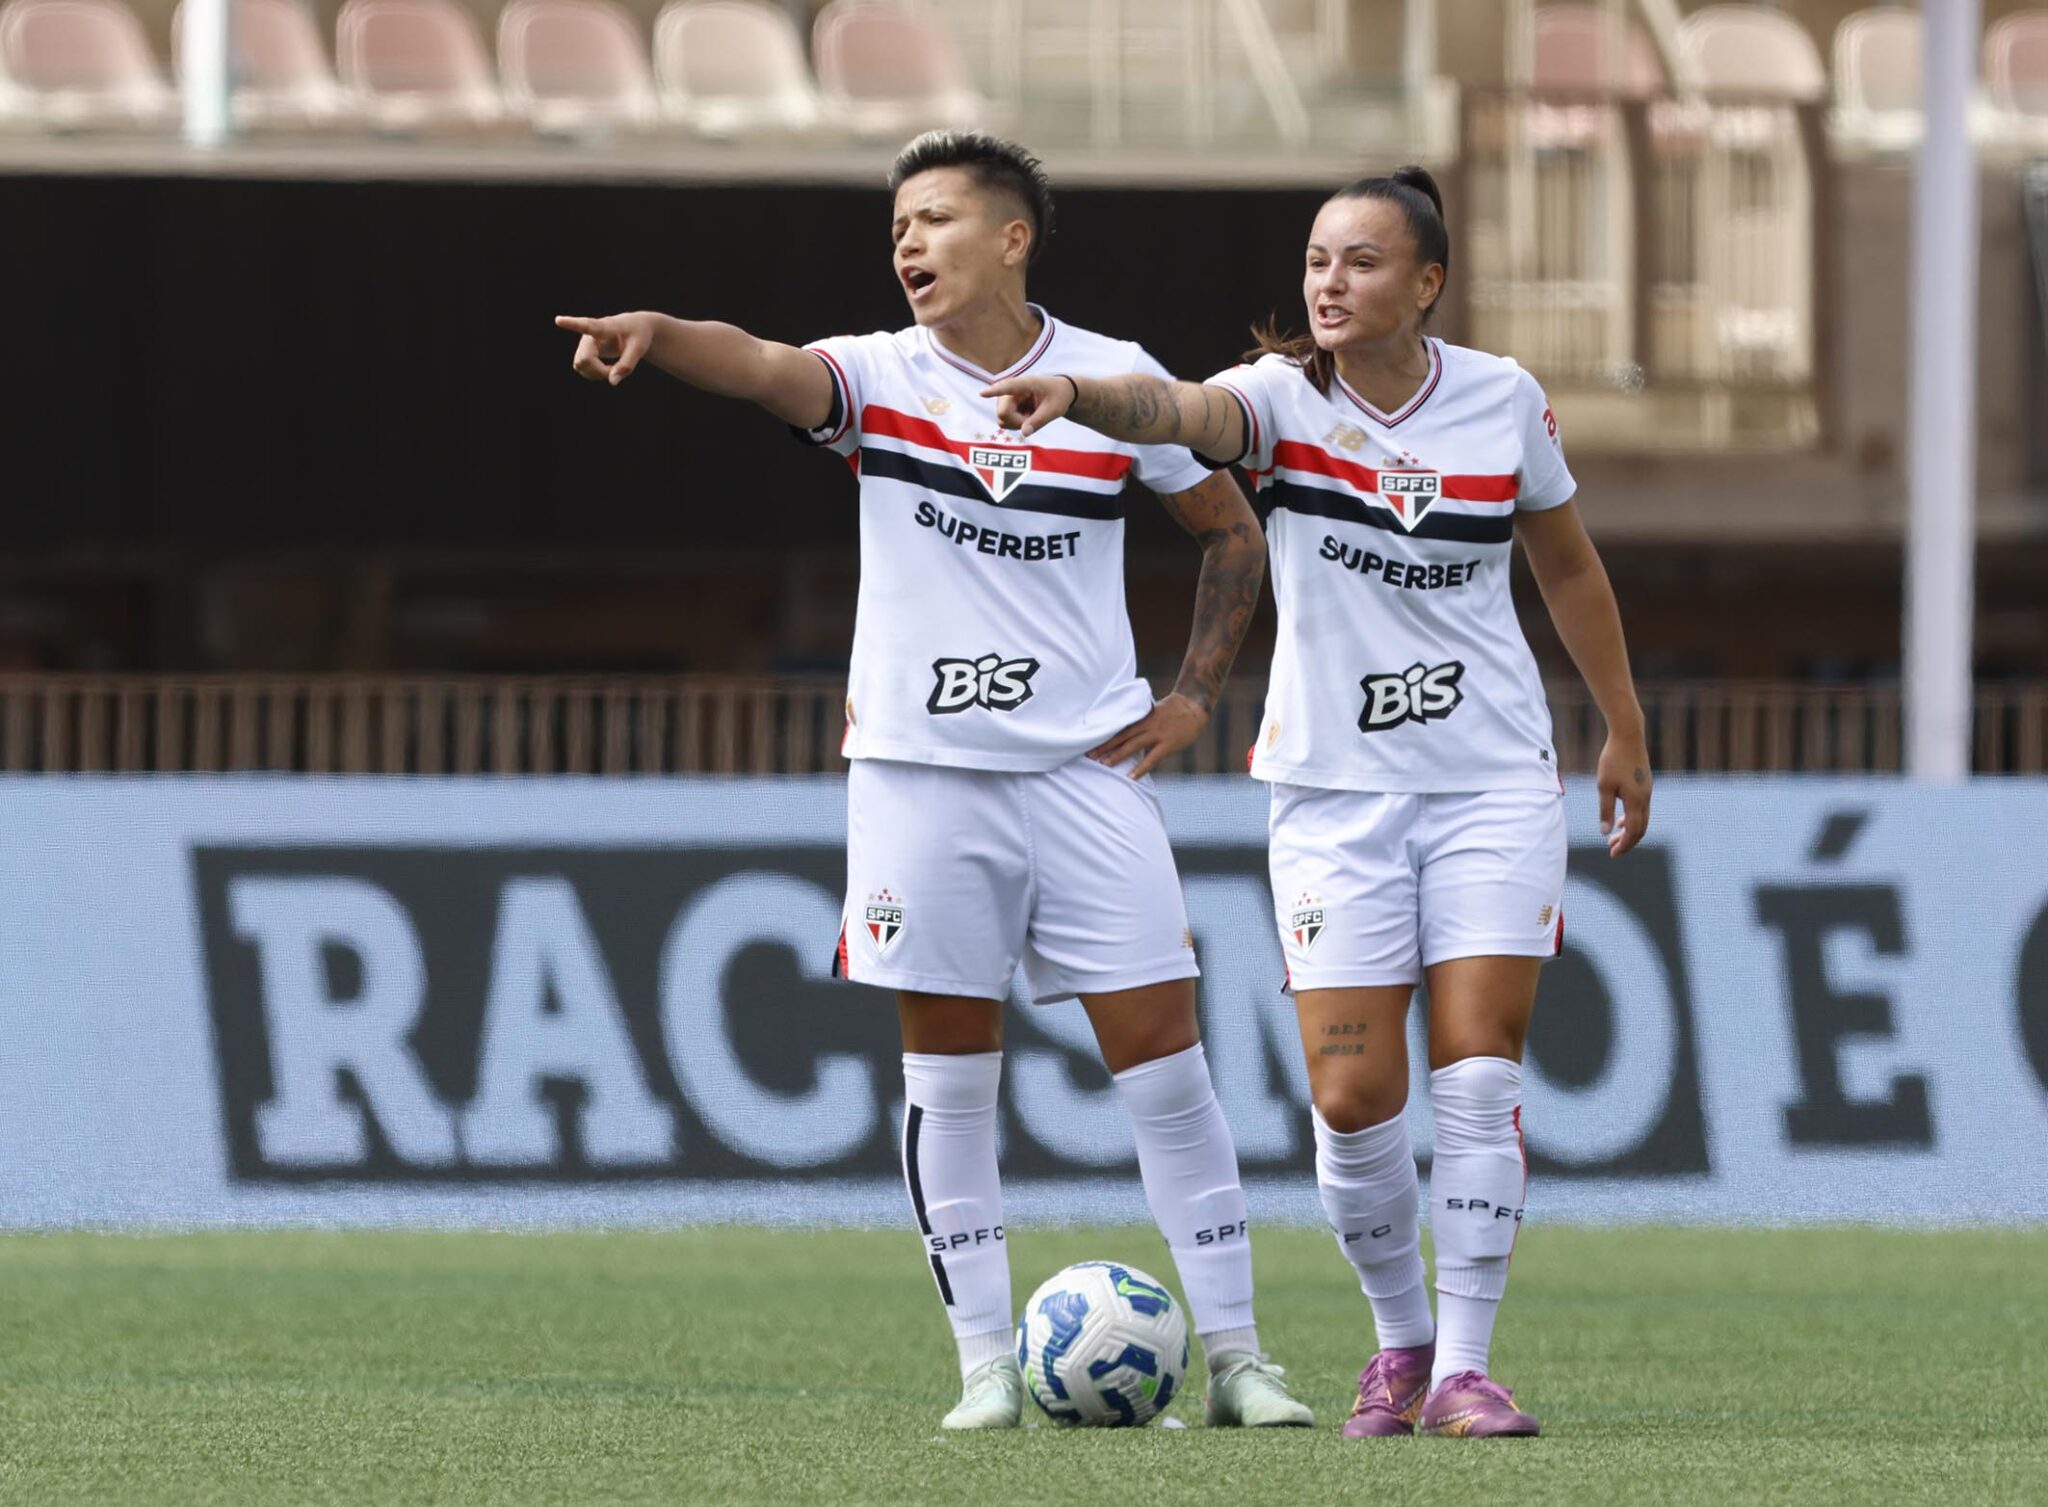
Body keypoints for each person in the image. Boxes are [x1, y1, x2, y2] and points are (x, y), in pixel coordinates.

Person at [554, 130, 1312, 1432]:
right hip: (916, 776)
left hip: (1086, 771)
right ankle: (983, 1366)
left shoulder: (1115, 380)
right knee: (948, 1072)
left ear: (1012, 238)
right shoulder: (880, 377)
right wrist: (662, 332)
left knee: (1167, 1062)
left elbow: (1232, 529)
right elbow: (764, 365)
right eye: (898, 222)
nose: (908, 242)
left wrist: (1194, 692)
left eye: (938, 218)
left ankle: (1240, 1358)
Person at [983, 165, 1653, 1439]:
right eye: (1315, 262)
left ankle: (1462, 1366)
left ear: (1426, 282)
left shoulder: (1502, 400)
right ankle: (1396, 1342)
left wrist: (1620, 725)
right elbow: (1177, 406)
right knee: (1351, 1103)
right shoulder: (1278, 403)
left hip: (1490, 785)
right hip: (1331, 795)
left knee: (1475, 1077)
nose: (1328, 284)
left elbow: (1564, 563)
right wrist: (1075, 393)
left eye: (1358, 261)